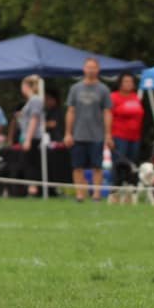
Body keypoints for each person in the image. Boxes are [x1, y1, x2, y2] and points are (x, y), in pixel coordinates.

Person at [64, 58, 113, 202]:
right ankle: (80, 194)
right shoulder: (75, 88)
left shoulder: (103, 89)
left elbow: (107, 112)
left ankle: (96, 194)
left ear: (98, 69)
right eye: (88, 67)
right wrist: (68, 133)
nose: (91, 70)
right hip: (78, 134)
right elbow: (71, 111)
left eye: (93, 67)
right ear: (84, 68)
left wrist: (108, 134)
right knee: (77, 166)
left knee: (97, 166)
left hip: (97, 135)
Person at [18, 75, 45, 197]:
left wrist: (28, 139)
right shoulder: (31, 101)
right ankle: (30, 188)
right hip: (27, 136)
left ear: (26, 86)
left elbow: (34, 119)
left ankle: (33, 189)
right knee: (27, 162)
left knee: (31, 163)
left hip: (33, 137)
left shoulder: (35, 100)